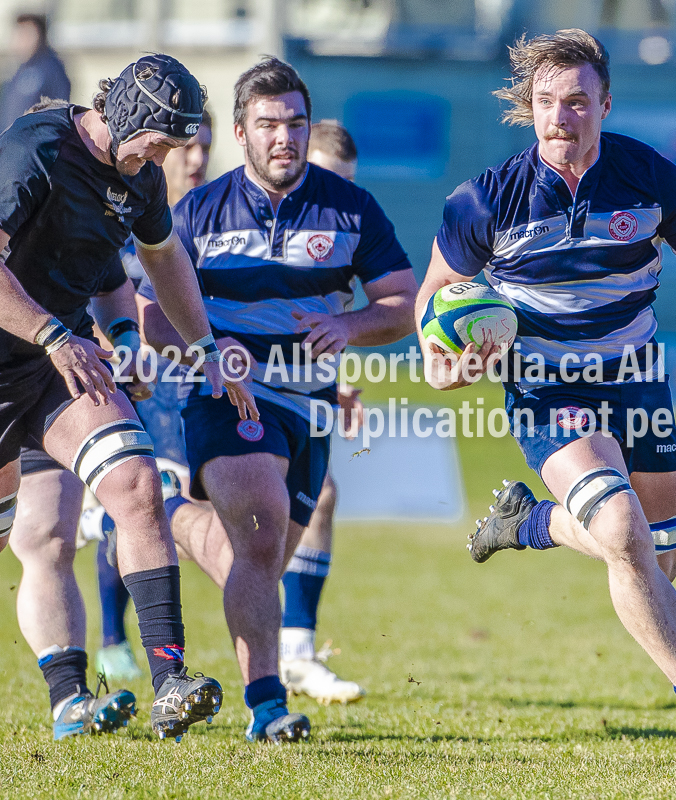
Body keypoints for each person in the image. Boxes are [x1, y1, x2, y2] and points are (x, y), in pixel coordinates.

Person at [416, 29, 676, 766]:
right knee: (620, 531)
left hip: (636, 382)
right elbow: (433, 303)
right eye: (546, 102)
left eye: (577, 101)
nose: (560, 118)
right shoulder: (483, 201)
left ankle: (529, 523)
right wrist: (443, 364)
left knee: (656, 555)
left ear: (605, 104)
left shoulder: (648, 178)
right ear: (528, 107)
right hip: (547, 390)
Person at [138, 57, 417, 742]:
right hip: (229, 397)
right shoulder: (198, 212)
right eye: (268, 125)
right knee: (261, 531)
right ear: (241, 132)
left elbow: (404, 303)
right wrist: (208, 349)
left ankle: (164, 513)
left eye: (295, 123)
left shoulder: (350, 208)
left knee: (259, 561)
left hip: (311, 410)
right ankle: (266, 707)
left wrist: (351, 324)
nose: (284, 138)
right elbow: (147, 317)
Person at [0, 54, 255, 741]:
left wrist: (189, 346)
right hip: (29, 350)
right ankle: (68, 697)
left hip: (55, 364)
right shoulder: (35, 151)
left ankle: (168, 680)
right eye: (163, 142)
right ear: (124, 120)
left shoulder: (137, 179)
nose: (167, 157)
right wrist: (57, 334)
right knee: (25, 540)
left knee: (136, 483)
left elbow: (154, 261)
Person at [90, 107, 215, 683]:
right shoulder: (127, 202)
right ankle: (114, 637)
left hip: (187, 375)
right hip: (135, 371)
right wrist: (127, 343)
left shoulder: (205, 213)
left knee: (151, 503)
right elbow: (112, 293)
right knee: (146, 495)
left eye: (200, 148)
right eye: (182, 148)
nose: (191, 159)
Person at [279, 118, 366, 705]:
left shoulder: (344, 232)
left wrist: (333, 386)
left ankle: (295, 652)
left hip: (297, 388)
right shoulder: (255, 220)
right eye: (328, 180)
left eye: (349, 183)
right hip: (217, 383)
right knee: (183, 515)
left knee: (319, 496)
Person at [0, 13, 69, 131]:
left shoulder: (51, 69)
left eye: (27, 34)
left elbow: (59, 111)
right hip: (12, 143)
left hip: (35, 144)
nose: (21, 40)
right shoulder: (19, 70)